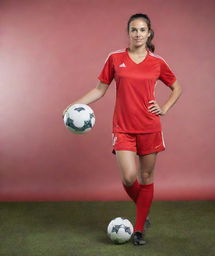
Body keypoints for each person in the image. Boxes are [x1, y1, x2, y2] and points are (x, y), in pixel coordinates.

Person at [62, 13, 182, 245]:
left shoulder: (158, 62)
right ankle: (143, 210)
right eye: (133, 30)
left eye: (142, 30)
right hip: (123, 128)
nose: (137, 34)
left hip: (149, 127)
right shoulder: (115, 58)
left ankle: (138, 230)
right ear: (128, 33)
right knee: (129, 178)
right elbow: (100, 89)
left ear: (149, 33)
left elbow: (177, 87)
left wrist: (164, 107)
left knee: (146, 177)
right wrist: (76, 104)